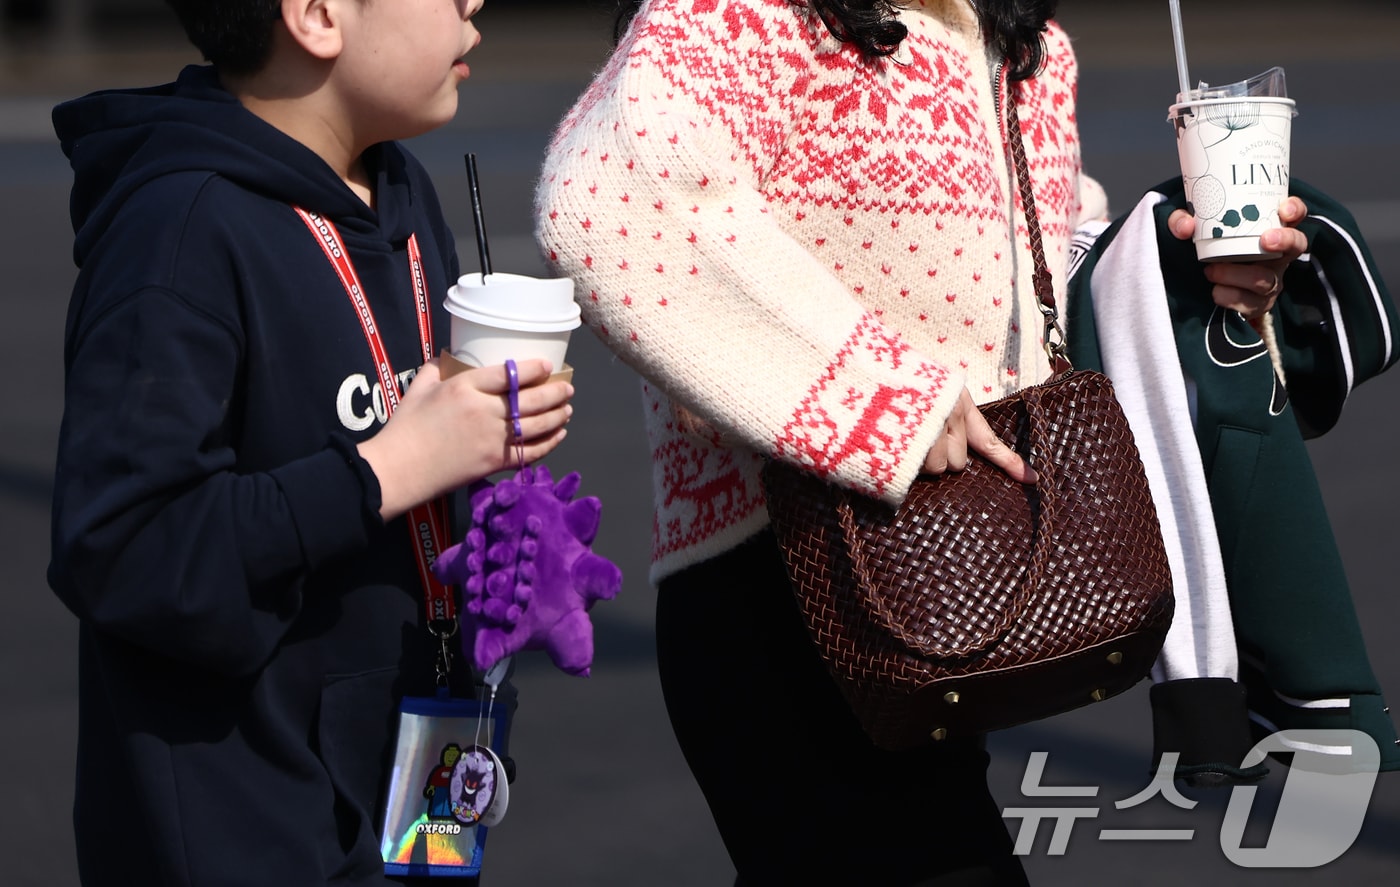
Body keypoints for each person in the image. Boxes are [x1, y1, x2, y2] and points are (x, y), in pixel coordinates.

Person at [535, 0, 1306, 883]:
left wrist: (1201, 282)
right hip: (785, 593)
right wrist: (883, 394)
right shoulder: (741, 14)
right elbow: (611, 203)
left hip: (949, 584)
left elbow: (1045, 286)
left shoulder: (1028, 45)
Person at [46, 1, 573, 884]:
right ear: (319, 15)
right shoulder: (178, 231)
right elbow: (123, 547)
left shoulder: (401, 195)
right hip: (244, 826)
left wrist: (496, 500)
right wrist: (390, 468)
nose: (474, 2)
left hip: (412, 793)